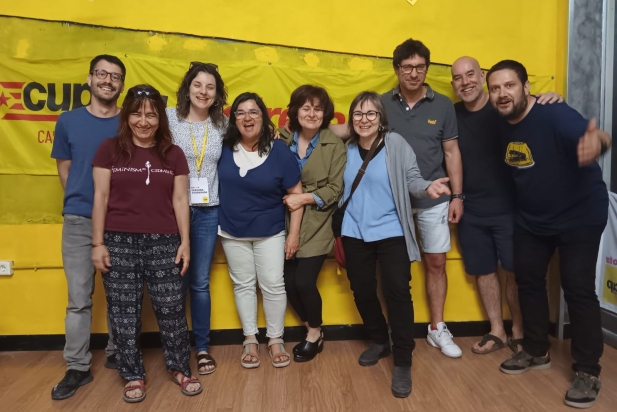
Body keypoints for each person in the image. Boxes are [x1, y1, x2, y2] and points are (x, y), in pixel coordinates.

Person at [487, 60, 610, 409]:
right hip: (533, 218)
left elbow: (595, 135)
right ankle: (536, 350)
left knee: (578, 289)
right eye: (495, 88)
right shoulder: (501, 121)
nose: (502, 93)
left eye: (509, 85)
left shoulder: (555, 114)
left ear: (526, 88)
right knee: (527, 280)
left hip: (579, 216)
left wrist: (596, 142)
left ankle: (588, 371)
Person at [91, 84, 202, 402]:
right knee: (123, 313)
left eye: (151, 115)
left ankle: (180, 368)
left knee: (171, 309)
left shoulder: (173, 153)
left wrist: (185, 242)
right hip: (118, 241)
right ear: (127, 116)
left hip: (165, 241)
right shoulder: (109, 149)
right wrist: (98, 243)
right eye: (137, 114)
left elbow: (181, 199)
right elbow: (100, 197)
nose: (143, 121)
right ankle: (133, 375)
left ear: (160, 119)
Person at [450, 56, 563, 355]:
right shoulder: (451, 115)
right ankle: (496, 330)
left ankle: (520, 331)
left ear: (482, 75)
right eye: (458, 78)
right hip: (470, 209)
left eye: (471, 74)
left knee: (516, 272)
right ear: (453, 84)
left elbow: (538, 112)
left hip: (512, 208)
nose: (466, 82)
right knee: (484, 272)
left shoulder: (505, 105)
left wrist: (550, 98)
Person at [342, 91, 451, 398]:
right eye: (358, 114)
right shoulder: (347, 147)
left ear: (381, 118)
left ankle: (403, 360)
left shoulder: (395, 144)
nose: (364, 120)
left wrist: (427, 187)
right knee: (362, 289)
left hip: (391, 229)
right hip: (353, 231)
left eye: (371, 114)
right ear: (351, 120)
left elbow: (413, 179)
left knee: (397, 292)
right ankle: (379, 340)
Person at [380, 39, 463, 358]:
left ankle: (436, 328)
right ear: (396, 69)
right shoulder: (382, 103)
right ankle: (395, 329)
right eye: (407, 67)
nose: (413, 73)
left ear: (427, 68)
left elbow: (452, 152)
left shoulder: (442, 105)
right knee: (391, 268)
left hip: (434, 198)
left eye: (420, 67)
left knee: (436, 261)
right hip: (392, 201)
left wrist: (457, 195)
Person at [50, 54, 124, 400]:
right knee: (79, 298)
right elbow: (65, 170)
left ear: (121, 85)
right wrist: (86, 205)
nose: (108, 81)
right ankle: (76, 366)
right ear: (89, 79)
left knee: (120, 295)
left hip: (122, 220)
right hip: (79, 219)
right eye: (102, 74)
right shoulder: (68, 121)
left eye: (115, 77)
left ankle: (117, 352)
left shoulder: (129, 123)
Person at [218, 92, 303, 369]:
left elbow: (296, 195)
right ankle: (250, 339)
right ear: (234, 119)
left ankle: (275, 339)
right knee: (243, 285)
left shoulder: (279, 151)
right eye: (240, 112)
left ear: (264, 117)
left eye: (253, 112)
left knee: (273, 286)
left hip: (270, 231)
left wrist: (294, 234)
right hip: (232, 230)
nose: (247, 117)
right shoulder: (222, 147)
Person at [167, 61, 227, 375]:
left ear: (217, 95)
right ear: (187, 89)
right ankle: (175, 347)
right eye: (198, 85)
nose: (203, 91)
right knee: (173, 283)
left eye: (210, 87)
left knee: (200, 283)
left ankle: (202, 348)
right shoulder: (168, 119)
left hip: (207, 211)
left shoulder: (223, 125)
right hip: (172, 210)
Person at [278, 85, 346, 362]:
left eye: (318, 108)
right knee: (286, 282)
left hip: (318, 222)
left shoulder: (334, 144)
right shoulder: (280, 139)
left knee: (304, 281)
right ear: (295, 111)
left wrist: (303, 198)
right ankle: (313, 329)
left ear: (325, 113)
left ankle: (314, 334)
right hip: (281, 219)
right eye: (306, 107)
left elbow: (335, 189)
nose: (312, 113)